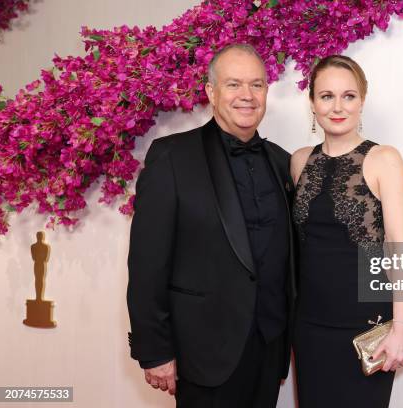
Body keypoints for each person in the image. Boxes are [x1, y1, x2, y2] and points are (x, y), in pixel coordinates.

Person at [127, 43, 296, 408]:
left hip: (269, 348)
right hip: (203, 353)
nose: (247, 96)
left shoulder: (283, 163)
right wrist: (154, 350)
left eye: (257, 85)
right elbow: (147, 262)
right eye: (234, 84)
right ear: (210, 91)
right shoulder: (172, 156)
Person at [290, 55, 403, 407]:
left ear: (362, 100)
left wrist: (402, 326)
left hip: (368, 328)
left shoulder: (384, 158)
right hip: (310, 327)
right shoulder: (299, 162)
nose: (337, 106)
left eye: (349, 95)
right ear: (312, 103)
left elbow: (400, 248)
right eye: (326, 96)